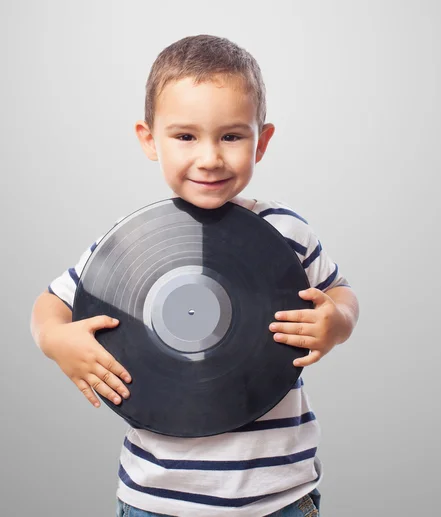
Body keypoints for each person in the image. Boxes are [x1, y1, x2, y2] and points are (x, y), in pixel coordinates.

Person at [30, 34, 359, 517]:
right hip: (156, 503)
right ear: (149, 139)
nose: (209, 158)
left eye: (231, 136)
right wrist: (57, 341)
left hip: (280, 500)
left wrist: (338, 322)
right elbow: (49, 306)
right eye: (185, 136)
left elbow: (340, 293)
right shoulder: (130, 243)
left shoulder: (287, 230)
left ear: (261, 141)